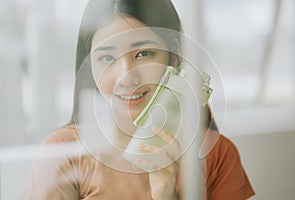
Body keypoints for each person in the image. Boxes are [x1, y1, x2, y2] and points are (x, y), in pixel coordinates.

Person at [21, 0, 255, 199]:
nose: (127, 77)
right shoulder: (63, 153)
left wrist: (167, 194)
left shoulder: (217, 154)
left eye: (144, 54)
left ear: (172, 56)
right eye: (107, 57)